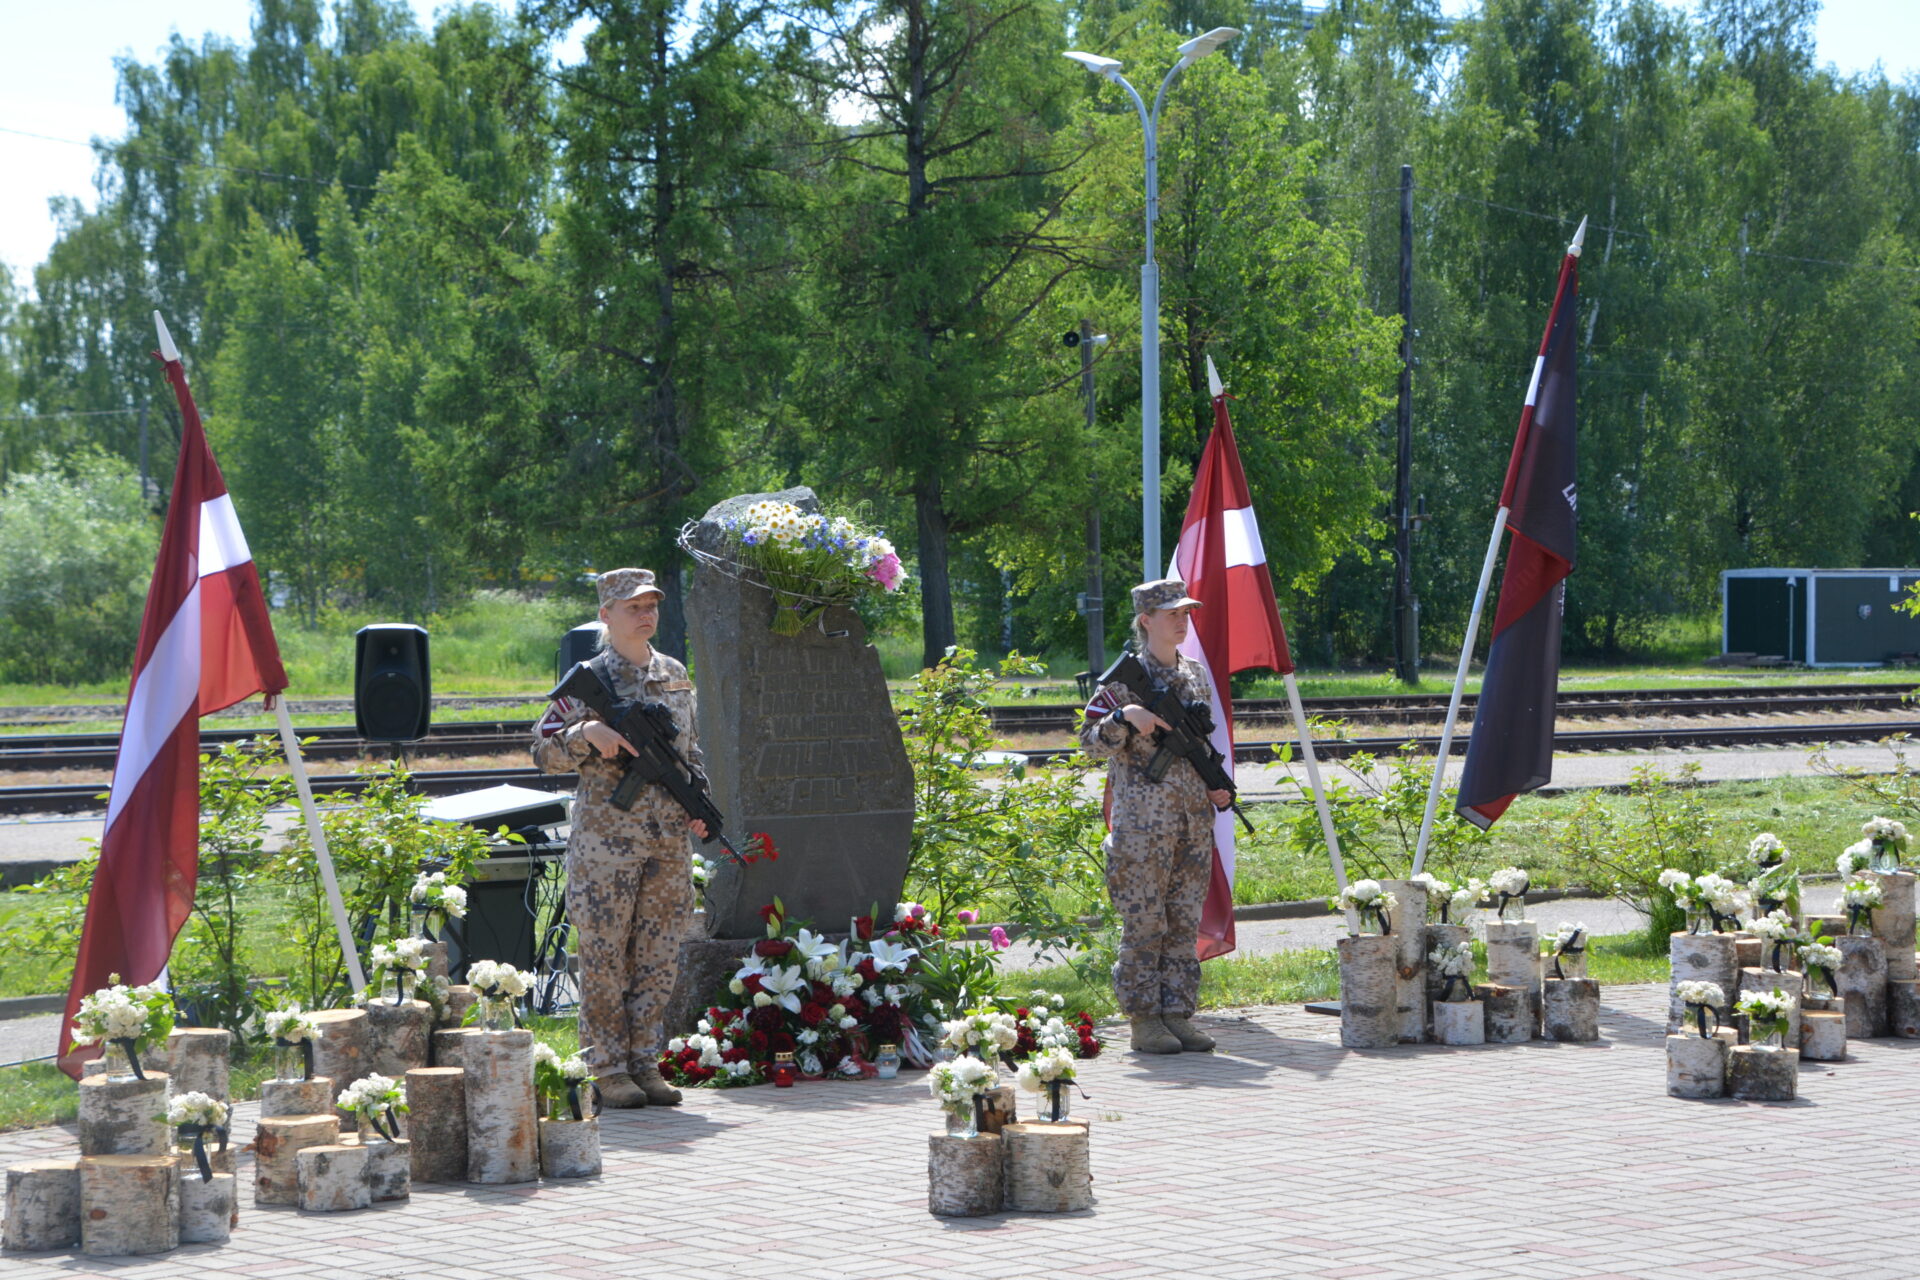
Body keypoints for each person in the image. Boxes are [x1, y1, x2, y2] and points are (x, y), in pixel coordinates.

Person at [532, 567, 710, 1106]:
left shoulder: (674, 673)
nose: (646, 613)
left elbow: (690, 753)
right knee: (606, 956)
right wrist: (585, 734)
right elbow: (541, 751)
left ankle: (643, 1064)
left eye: (651, 604)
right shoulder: (589, 679)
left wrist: (699, 805)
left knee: (658, 957)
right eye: (633, 606)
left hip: (666, 845)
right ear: (606, 615)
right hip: (607, 846)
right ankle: (607, 1068)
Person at [1079, 578, 1233, 1055]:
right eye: (1172, 614)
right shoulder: (1123, 680)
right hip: (1142, 827)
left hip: (1191, 822)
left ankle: (1176, 1014)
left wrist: (1215, 782)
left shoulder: (1195, 674)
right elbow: (1087, 744)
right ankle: (1144, 1019)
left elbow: (1200, 744)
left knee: (1183, 923)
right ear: (1146, 621)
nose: (1182, 621)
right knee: (1145, 924)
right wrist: (1124, 716)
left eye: (1185, 613)